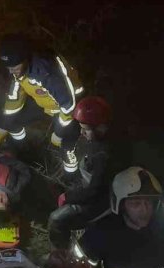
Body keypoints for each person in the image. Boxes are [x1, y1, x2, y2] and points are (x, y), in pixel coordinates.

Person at [0, 34, 84, 173]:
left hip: (71, 105)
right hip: (46, 103)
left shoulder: (46, 71)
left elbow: (68, 104)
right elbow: (15, 96)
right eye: (8, 67)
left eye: (14, 67)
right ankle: (26, 152)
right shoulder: (18, 68)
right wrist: (5, 125)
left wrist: (60, 132)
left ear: (25, 58)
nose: (11, 71)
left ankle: (71, 174)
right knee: (13, 123)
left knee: (65, 143)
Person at [48, 96, 116, 252]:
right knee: (55, 190)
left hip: (101, 203)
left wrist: (68, 197)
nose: (82, 133)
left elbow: (95, 191)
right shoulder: (99, 142)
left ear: (101, 127)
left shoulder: (105, 155)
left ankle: (61, 255)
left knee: (56, 219)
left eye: (85, 129)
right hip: (90, 189)